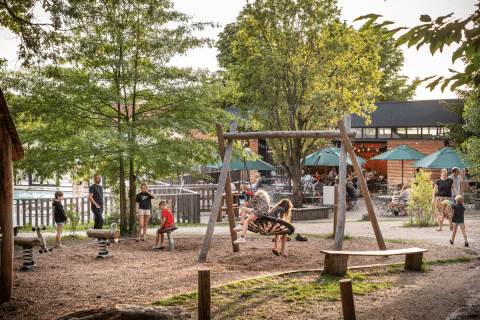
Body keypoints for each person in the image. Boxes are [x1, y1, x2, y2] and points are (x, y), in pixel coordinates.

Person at [88, 174, 104, 242]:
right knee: (101, 221)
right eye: (98, 178)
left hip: (101, 207)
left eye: (100, 178)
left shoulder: (101, 187)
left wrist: (101, 205)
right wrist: (96, 205)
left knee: (97, 221)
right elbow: (90, 197)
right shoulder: (92, 187)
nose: (99, 179)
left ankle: (95, 238)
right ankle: (99, 238)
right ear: (94, 179)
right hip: (96, 207)